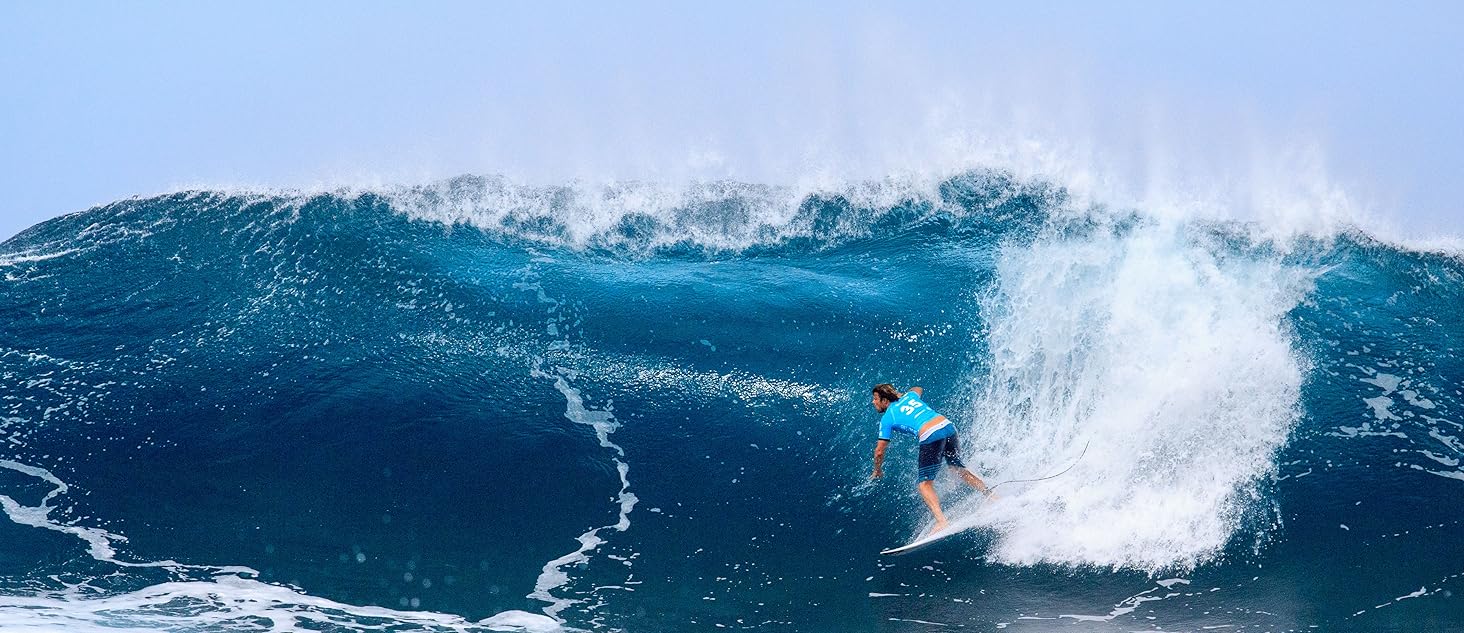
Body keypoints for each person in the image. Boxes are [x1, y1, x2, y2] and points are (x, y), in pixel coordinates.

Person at [869, 383, 993, 534]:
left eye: (876, 399)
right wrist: (899, 394)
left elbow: (879, 451)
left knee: (924, 485)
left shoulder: (888, 417)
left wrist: (877, 470)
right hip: (947, 426)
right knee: (958, 469)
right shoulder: (910, 396)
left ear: (885, 401)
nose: (873, 402)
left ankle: (942, 522)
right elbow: (918, 388)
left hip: (931, 434)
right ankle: (992, 495)